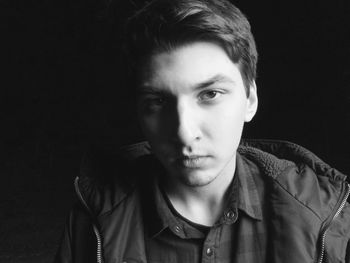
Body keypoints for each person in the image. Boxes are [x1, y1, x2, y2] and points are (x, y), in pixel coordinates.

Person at [54, 0, 350, 262]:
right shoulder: (97, 216)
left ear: (250, 100)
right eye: (158, 102)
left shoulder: (317, 214)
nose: (184, 132)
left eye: (209, 94)